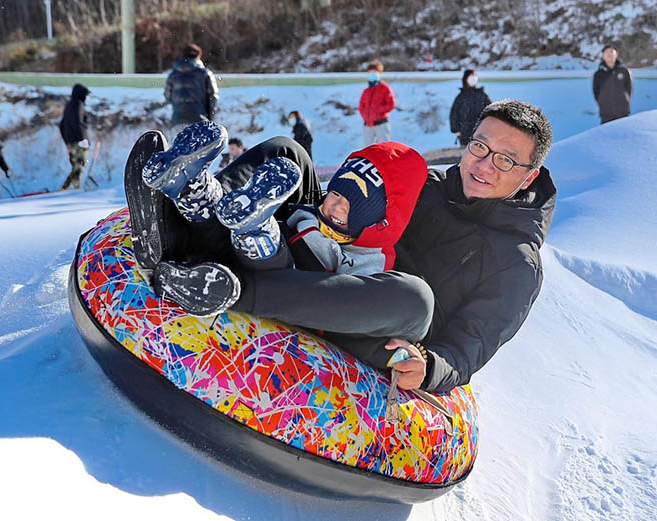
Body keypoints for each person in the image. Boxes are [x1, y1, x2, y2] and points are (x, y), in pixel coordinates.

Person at [129, 99, 556, 395]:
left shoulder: (517, 261)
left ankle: (230, 290)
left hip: (377, 326)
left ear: (529, 176)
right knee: (288, 153)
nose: (483, 164)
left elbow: (470, 347)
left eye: (505, 159)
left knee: (415, 298)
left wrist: (431, 368)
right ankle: (182, 214)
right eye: (480, 146)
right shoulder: (428, 182)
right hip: (335, 263)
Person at [164, 43, 219, 139]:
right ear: (198, 56)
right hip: (199, 119)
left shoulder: (173, 75)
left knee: (178, 152)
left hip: (177, 120)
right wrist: (211, 119)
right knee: (200, 152)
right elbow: (213, 97)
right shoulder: (205, 74)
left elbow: (167, 95)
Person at [59, 83, 91, 190]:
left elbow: (62, 125)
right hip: (78, 141)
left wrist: (66, 140)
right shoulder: (78, 104)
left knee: (75, 167)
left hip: (70, 142)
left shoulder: (68, 105)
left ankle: (65, 188)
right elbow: (78, 122)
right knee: (79, 166)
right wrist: (82, 139)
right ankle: (76, 190)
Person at [449, 69, 491, 146]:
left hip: (481, 132)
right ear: (465, 79)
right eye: (471, 77)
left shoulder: (482, 95)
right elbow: (454, 114)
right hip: (464, 133)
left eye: (474, 77)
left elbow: (491, 111)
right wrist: (456, 130)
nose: (473, 79)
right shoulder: (461, 97)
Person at [358, 60, 396, 146]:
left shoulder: (385, 88)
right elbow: (361, 107)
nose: (372, 74)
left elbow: (391, 104)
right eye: (370, 72)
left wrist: (378, 111)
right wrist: (366, 116)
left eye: (374, 72)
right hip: (368, 125)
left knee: (384, 147)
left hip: (381, 124)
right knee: (367, 149)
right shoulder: (366, 91)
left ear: (379, 73)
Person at [593, 44, 633, 124]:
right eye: (606, 52)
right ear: (603, 56)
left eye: (611, 52)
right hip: (606, 113)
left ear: (616, 55)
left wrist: (624, 99)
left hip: (623, 111)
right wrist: (603, 102)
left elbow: (629, 89)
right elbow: (596, 92)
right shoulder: (598, 74)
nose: (609, 54)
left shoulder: (624, 71)